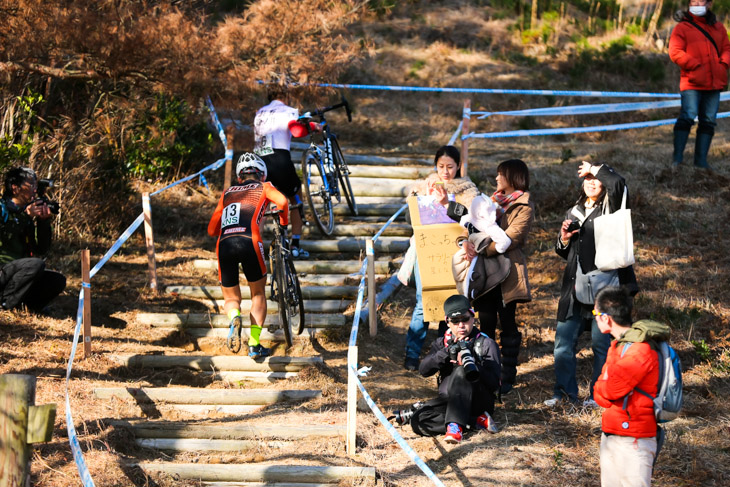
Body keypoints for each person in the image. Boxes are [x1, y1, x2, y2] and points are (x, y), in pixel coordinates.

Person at [546, 161, 638, 408]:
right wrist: (564, 239)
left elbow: (618, 182)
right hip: (576, 287)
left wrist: (597, 167)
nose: (591, 182)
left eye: (595, 178)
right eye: (586, 178)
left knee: (602, 344)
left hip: (607, 287)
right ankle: (564, 393)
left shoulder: (613, 208)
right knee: (563, 344)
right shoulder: (573, 211)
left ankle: (599, 395)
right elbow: (565, 252)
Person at [403, 145, 479, 371]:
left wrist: (447, 203)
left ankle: (443, 352)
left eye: (450, 167)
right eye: (441, 167)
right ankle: (412, 354)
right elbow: (411, 218)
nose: (445, 172)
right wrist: (420, 197)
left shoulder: (467, 190)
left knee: (449, 302)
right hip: (427, 253)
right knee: (422, 302)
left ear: (458, 166)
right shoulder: (424, 186)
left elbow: (470, 220)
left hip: (454, 253)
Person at [461, 159, 533, 395]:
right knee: (487, 322)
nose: (496, 179)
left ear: (513, 177)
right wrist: (466, 243)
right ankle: (488, 373)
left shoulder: (524, 206)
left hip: (508, 274)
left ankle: (507, 376)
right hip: (486, 275)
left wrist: (480, 247)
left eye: (500, 175)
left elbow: (512, 239)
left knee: (508, 323)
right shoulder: (490, 201)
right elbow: (470, 227)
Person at [208, 153, 289, 358]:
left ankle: (234, 317)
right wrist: (284, 222)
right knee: (258, 294)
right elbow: (283, 202)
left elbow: (211, 229)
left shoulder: (227, 193)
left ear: (239, 177)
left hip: (224, 244)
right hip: (249, 240)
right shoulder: (264, 187)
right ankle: (254, 344)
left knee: (231, 297)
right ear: (261, 174)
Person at [593, 286, 670, 487]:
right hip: (612, 433)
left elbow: (608, 390)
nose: (594, 318)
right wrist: (604, 386)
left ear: (606, 317)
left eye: (595, 313)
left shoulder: (639, 350)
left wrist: (604, 386)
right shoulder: (617, 346)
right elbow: (599, 395)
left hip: (634, 440)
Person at [414, 294, 501, 444]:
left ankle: (455, 427)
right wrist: (445, 353)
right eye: (455, 321)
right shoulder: (441, 343)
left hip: (478, 402)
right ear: (447, 322)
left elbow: (495, 384)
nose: (461, 325)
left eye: (465, 319)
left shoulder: (486, 343)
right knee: (419, 419)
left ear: (473, 317)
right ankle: (475, 422)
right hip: (450, 402)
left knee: (462, 371)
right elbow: (423, 370)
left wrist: (474, 365)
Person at [253, 85, 320, 259]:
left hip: (259, 161)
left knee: (263, 204)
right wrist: (314, 126)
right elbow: (297, 130)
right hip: (279, 159)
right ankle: (295, 244)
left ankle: (254, 249)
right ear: (287, 95)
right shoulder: (289, 111)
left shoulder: (260, 112)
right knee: (295, 196)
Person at [669, 0, 730, 169]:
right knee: (687, 116)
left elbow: (727, 48)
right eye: (693, 1)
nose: (696, 4)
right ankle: (677, 159)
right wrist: (694, 65)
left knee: (709, 120)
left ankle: (701, 162)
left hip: (715, 83)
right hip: (691, 82)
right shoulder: (682, 28)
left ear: (709, 4)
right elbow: (675, 51)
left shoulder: (718, 27)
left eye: (700, 1)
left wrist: (723, 64)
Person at [0, 167, 66, 312]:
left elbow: (41, 249)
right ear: (15, 188)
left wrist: (43, 222)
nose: (34, 190)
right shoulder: (2, 208)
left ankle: (25, 306)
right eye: (31, 185)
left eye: (36, 185)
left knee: (57, 280)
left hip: (18, 273)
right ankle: (5, 304)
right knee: (34, 265)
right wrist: (25, 217)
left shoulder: (26, 211)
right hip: (2, 270)